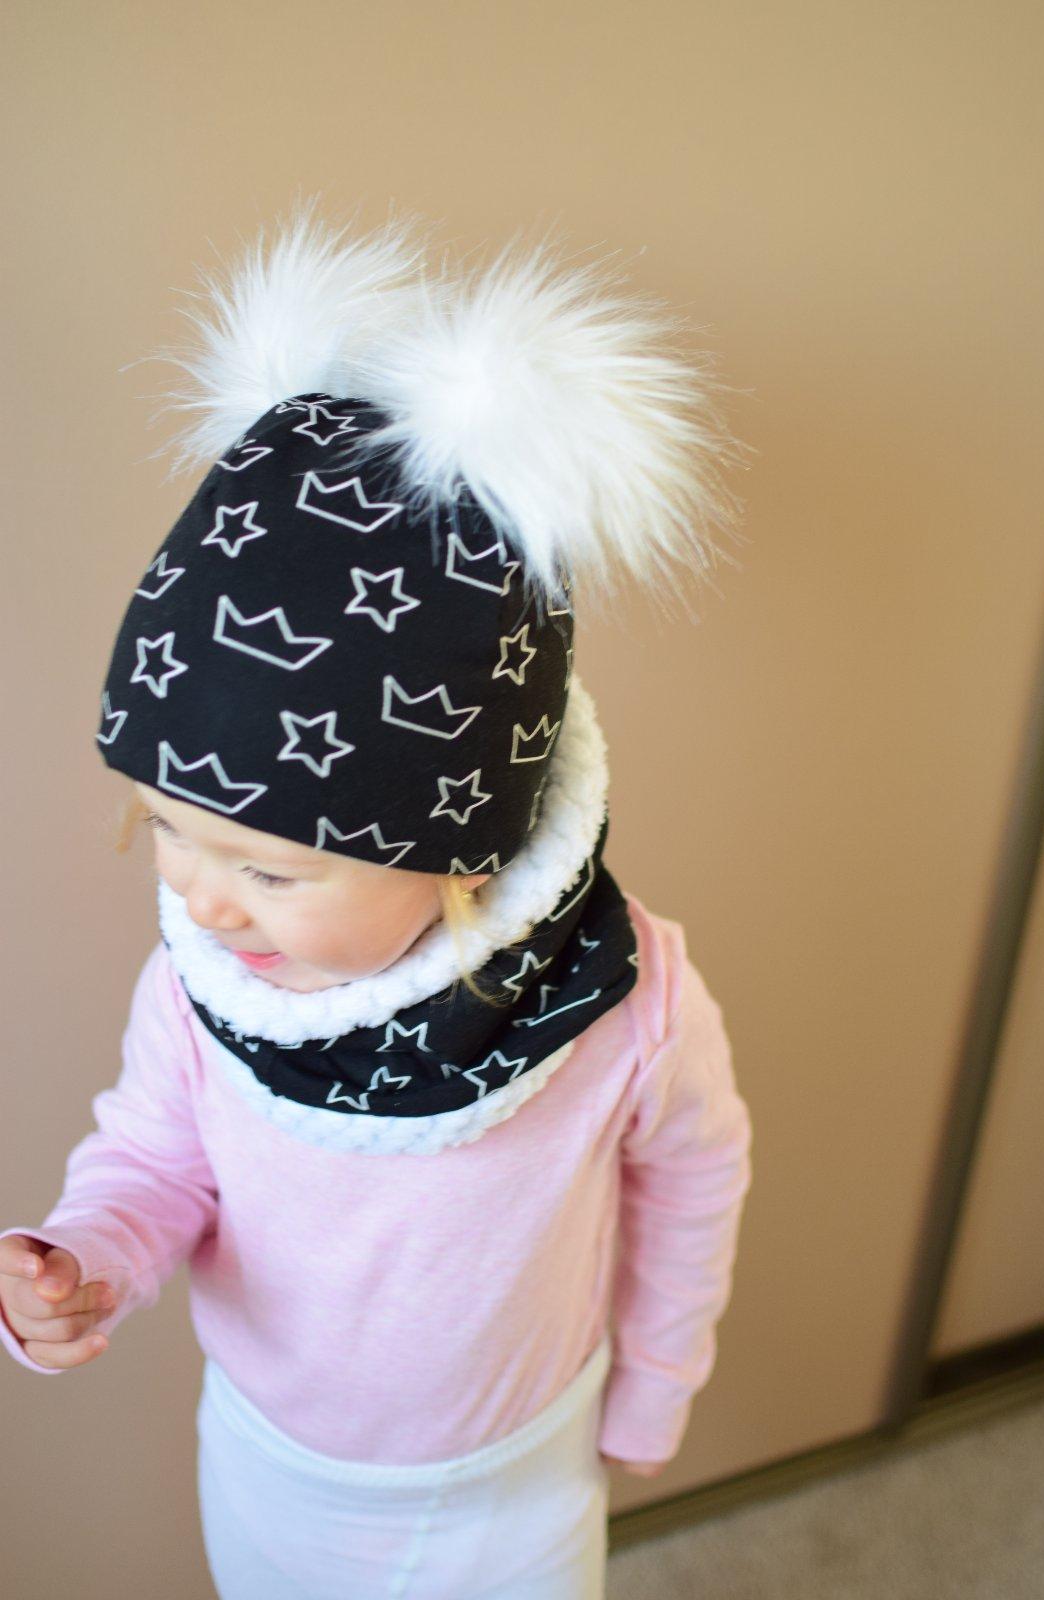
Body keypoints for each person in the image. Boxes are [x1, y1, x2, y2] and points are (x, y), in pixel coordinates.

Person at [0, 201, 755, 1599]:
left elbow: (692, 1179)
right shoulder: (204, 988)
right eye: (167, 832)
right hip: (271, 1465)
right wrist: (86, 1258)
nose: (208, 904)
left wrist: (656, 1379)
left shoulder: (622, 999)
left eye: (271, 871)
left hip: (518, 1481)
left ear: (463, 854)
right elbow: (156, 1161)